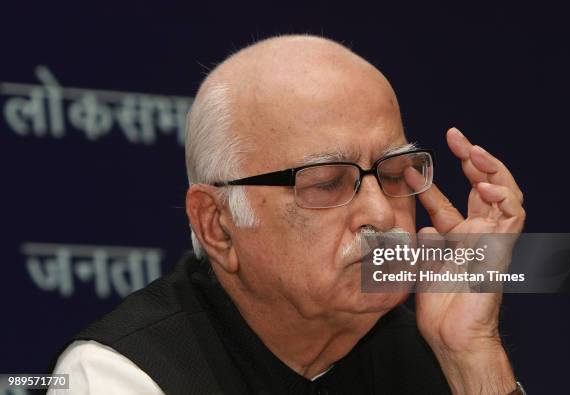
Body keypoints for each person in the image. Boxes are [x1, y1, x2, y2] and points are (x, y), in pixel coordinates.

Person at [50, 35, 526, 394]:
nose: (382, 213)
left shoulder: (431, 348)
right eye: (326, 183)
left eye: (396, 172)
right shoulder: (121, 374)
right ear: (217, 226)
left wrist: (470, 354)